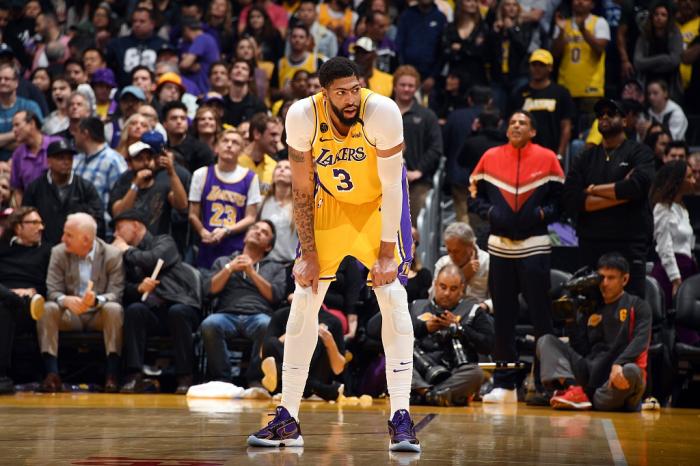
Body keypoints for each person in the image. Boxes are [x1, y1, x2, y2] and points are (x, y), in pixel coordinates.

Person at [247, 57, 419, 452]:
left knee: (393, 300)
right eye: (341, 92)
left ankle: (401, 416)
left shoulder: (383, 112)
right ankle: (288, 418)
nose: (350, 98)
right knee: (303, 301)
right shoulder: (301, 116)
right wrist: (307, 252)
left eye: (355, 89)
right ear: (324, 94)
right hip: (331, 206)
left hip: (379, 207)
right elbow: (302, 188)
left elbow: (393, 186)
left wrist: (387, 253)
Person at [469, 109, 564, 403]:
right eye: (512, 122)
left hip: (535, 245)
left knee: (541, 317)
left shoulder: (548, 158)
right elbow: (474, 194)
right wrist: (490, 212)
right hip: (500, 247)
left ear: (533, 131)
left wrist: (541, 214)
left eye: (522, 123)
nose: (516, 126)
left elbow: (560, 200)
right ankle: (505, 385)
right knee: (503, 318)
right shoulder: (490, 157)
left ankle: (546, 383)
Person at [561, 98, 655, 298]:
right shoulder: (585, 157)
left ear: (624, 121)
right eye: (600, 114)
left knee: (631, 306)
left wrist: (592, 190)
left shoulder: (640, 152)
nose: (604, 117)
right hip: (591, 244)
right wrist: (622, 194)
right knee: (590, 306)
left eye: (611, 113)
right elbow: (571, 199)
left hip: (629, 243)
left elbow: (637, 187)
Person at [536, 253, 651, 411]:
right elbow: (581, 349)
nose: (605, 283)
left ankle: (599, 400)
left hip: (614, 378)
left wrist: (619, 364)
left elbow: (640, 342)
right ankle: (574, 390)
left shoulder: (638, 306)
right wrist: (570, 321)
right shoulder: (590, 306)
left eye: (611, 278)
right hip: (589, 375)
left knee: (630, 371)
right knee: (546, 341)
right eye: (602, 277)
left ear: (624, 279)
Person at [112, 209, 202, 395]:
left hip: (180, 304)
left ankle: (185, 377)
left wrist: (127, 250)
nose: (115, 234)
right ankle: (134, 375)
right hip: (154, 312)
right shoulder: (123, 256)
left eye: (120, 228)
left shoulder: (164, 241)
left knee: (177, 312)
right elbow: (122, 287)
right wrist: (138, 288)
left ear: (135, 226)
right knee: (134, 310)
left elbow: (152, 260)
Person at [38, 213, 124, 393]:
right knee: (47, 308)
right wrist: (65, 300)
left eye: (69, 235)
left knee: (114, 309)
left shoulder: (112, 254)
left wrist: (97, 300)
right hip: (70, 314)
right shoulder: (58, 252)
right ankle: (52, 374)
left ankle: (112, 374)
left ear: (86, 239)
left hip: (98, 313)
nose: (63, 239)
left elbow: (116, 293)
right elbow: (52, 290)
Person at [200, 220, 285, 383]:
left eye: (265, 232)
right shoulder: (223, 261)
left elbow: (275, 296)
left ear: (268, 247)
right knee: (209, 324)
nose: (258, 232)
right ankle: (223, 379)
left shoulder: (275, 267)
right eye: (255, 228)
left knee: (267, 326)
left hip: (259, 315)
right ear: (245, 237)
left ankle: (255, 379)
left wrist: (252, 272)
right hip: (226, 314)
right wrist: (230, 268)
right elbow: (209, 290)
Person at [411, 264, 494, 406]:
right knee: (395, 361)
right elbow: (388, 334)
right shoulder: (416, 306)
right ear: (435, 284)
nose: (447, 293)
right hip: (419, 369)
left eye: (453, 289)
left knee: (476, 374)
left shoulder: (473, 310)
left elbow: (488, 345)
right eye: (443, 287)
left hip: (455, 371)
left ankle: (424, 395)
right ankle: (436, 395)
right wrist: (424, 328)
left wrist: (459, 328)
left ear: (462, 289)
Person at [189, 128, 261, 269]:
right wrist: (202, 231)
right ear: (216, 147)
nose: (229, 145)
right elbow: (192, 214)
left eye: (235, 142)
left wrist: (226, 230)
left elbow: (251, 217)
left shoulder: (251, 178)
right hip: (207, 244)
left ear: (242, 151)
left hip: (235, 248)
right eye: (225, 141)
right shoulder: (201, 174)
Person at [0, 207, 51, 393]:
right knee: (4, 301)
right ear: (18, 227)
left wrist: (33, 291)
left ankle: (1, 375)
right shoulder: (2, 248)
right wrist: (11, 292)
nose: (40, 227)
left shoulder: (47, 251)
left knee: (4, 309)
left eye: (41, 223)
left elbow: (52, 284)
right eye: (34, 223)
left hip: (29, 303)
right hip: (5, 295)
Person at [22, 139, 104, 245]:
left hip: (78, 247)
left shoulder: (85, 187)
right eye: (61, 158)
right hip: (42, 247)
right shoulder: (34, 188)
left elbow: (98, 221)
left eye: (69, 158)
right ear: (49, 161)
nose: (66, 162)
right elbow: (25, 219)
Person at [392, 65, 443, 225]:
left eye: (411, 86)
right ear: (394, 86)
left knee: (414, 228)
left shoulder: (427, 116)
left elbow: (436, 148)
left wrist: (419, 170)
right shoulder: (383, 112)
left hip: (417, 184)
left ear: (416, 88)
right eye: (403, 85)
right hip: (384, 182)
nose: (406, 89)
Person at [109, 138, 189, 238]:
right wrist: (135, 185)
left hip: (157, 243)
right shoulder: (123, 182)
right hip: (128, 242)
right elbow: (118, 213)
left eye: (149, 158)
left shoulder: (163, 183)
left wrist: (172, 172)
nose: (146, 162)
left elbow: (182, 206)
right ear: (130, 163)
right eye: (139, 159)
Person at [650, 161, 698, 311]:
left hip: (687, 268)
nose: (694, 181)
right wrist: (676, 279)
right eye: (689, 177)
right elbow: (665, 247)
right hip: (670, 273)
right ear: (677, 181)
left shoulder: (682, 208)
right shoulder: (662, 208)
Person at [552, 0, 610, 115]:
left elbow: (599, 49)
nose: (580, 2)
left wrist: (583, 30)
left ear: (592, 4)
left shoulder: (599, 22)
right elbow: (555, 54)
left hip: (591, 89)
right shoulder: (563, 24)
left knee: (591, 125)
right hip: (566, 88)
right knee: (566, 124)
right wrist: (561, 32)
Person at [513, 49, 575, 158]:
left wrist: (560, 154)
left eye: (541, 65)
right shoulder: (520, 93)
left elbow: (566, 126)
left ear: (550, 67)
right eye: (534, 64)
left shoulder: (561, 93)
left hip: (551, 152)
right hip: (524, 154)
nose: (537, 68)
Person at [73, 117, 128, 232]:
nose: (74, 136)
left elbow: (122, 197)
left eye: (77, 132)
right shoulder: (78, 160)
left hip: (105, 230)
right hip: (79, 228)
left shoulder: (113, 160)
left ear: (85, 133)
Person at [395, 0, 447, 97]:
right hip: (407, 73)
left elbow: (442, 51)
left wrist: (433, 77)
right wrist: (405, 71)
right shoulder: (406, 15)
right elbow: (399, 46)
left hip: (430, 79)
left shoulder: (440, 18)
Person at [633, 2, 683, 103]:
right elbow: (638, 62)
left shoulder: (675, 34)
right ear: (651, 16)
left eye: (663, 15)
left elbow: (675, 61)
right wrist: (663, 58)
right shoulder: (645, 35)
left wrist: (649, 65)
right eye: (656, 14)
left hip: (670, 84)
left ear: (669, 18)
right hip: (646, 82)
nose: (659, 18)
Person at [9, 110, 61, 205]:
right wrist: (23, 212)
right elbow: (18, 190)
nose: (14, 130)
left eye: (17, 125)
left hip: (60, 204)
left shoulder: (56, 143)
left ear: (32, 123)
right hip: (32, 209)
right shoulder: (17, 154)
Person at [105, 8, 166, 86]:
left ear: (152, 24)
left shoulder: (163, 46)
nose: (137, 24)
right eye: (134, 21)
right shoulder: (117, 44)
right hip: (123, 89)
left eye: (142, 21)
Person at [433, 222, 489, 301]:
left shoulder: (487, 262)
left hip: (479, 307)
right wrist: (462, 275)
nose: (451, 256)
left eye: (456, 251)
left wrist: (486, 305)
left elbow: (499, 297)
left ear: (470, 246)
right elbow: (433, 298)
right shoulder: (443, 263)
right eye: (449, 251)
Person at [0, 63, 44, 161]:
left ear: (16, 83)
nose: (2, 82)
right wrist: (20, 133)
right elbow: (27, 138)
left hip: (27, 161)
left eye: (7, 79)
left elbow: (37, 138)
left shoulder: (30, 106)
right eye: (0, 79)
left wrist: (3, 143)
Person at [259, 159, 297, 263]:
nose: (282, 170)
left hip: (289, 264)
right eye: (278, 167)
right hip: (264, 262)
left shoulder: (300, 205)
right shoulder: (262, 202)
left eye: (287, 168)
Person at [163, 101, 214, 173]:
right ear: (165, 124)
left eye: (183, 118)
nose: (179, 121)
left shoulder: (202, 150)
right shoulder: (163, 150)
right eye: (174, 118)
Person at [239, 113, 282, 197]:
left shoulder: (275, 167)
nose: (277, 140)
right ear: (257, 134)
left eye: (279, 135)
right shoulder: (234, 162)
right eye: (273, 134)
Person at [179, 16, 220, 96]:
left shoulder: (202, 39)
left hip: (203, 85)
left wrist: (184, 62)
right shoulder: (208, 38)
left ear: (186, 29)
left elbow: (184, 64)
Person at [221, 59, 267, 129]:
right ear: (229, 74)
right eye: (236, 67)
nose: (239, 70)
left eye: (244, 69)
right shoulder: (221, 102)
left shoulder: (258, 105)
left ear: (250, 77)